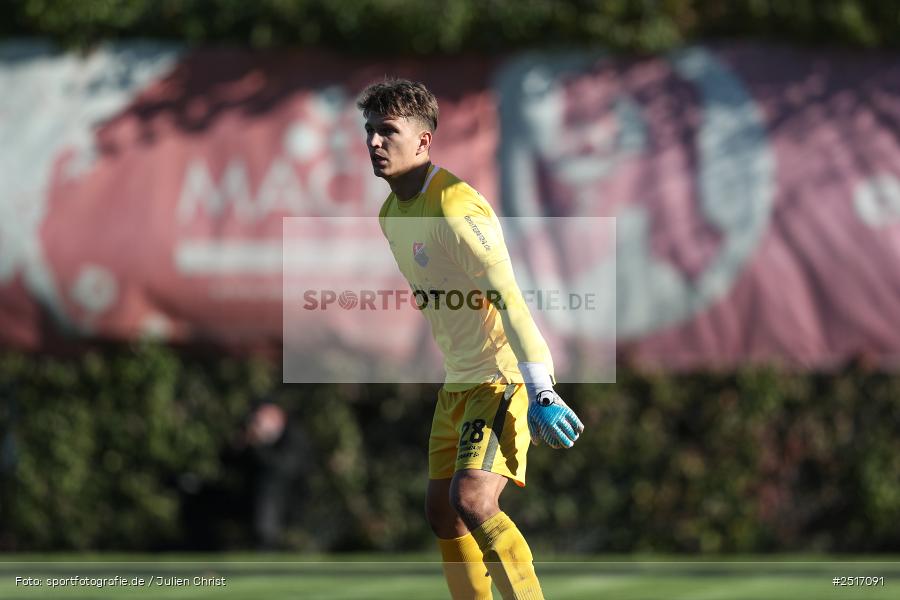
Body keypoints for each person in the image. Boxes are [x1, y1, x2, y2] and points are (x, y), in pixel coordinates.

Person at [357, 78, 584, 600]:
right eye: (369, 131)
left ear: (422, 142)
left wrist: (541, 389)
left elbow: (509, 297)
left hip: (501, 377)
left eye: (387, 131)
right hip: (457, 382)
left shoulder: (456, 206)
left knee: (474, 499)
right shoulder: (391, 215)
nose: (373, 143)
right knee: (443, 515)